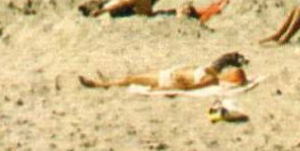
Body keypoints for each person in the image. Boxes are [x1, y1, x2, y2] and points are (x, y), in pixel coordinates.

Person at [79, 51, 249, 91]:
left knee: (132, 78)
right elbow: (223, 60)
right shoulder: (213, 71)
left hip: (169, 80)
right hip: (169, 73)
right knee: (132, 77)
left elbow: (189, 88)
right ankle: (107, 82)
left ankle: (100, 84)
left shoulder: (213, 79)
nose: (229, 71)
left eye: (232, 73)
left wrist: (165, 89)